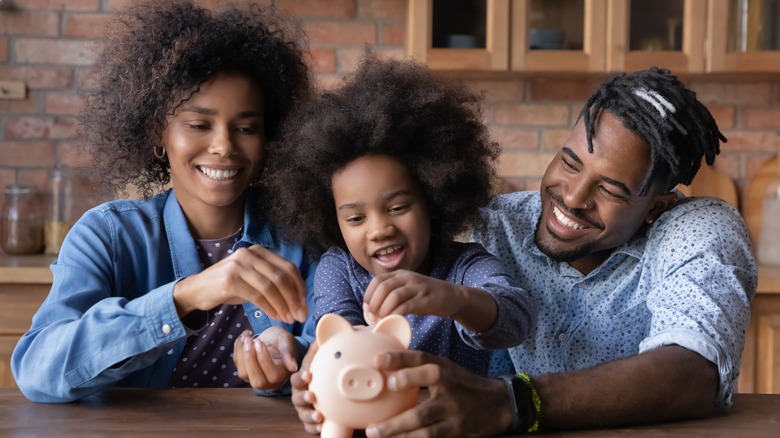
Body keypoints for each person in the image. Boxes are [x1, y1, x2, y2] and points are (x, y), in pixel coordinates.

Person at [291, 66, 758, 436]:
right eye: (570, 162)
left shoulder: (700, 229)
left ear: (657, 204)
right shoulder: (500, 223)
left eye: (611, 190)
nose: (572, 197)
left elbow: (693, 372)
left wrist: (512, 402)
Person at [11, 0, 317, 403]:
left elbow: (340, 352)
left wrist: (295, 359)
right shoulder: (108, 235)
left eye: (246, 127)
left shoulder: (304, 236)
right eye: (198, 124)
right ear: (158, 131)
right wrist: (186, 295)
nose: (224, 145)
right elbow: (38, 369)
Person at [262, 51, 535, 383]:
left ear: (433, 200)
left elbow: (517, 319)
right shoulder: (339, 268)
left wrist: (453, 299)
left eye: (397, 208)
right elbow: (339, 335)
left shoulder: (465, 267)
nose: (379, 229)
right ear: (331, 219)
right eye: (355, 218)